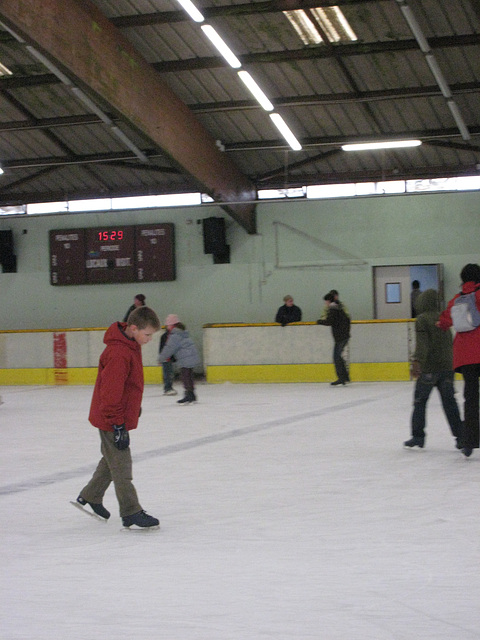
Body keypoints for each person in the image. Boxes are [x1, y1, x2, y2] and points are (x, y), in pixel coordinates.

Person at [75, 306, 161, 529]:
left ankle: (90, 496)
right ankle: (131, 512)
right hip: (110, 417)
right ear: (133, 328)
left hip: (115, 415)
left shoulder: (130, 345)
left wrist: (132, 408)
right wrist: (118, 423)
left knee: (112, 459)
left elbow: (128, 386)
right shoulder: (119, 352)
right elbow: (111, 393)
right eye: (148, 334)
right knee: (122, 465)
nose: (150, 339)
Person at [404, 289, 463, 450]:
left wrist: (417, 362)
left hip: (429, 368)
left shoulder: (422, 319)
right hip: (447, 368)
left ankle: (418, 436)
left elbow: (422, 344)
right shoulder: (443, 318)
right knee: (450, 403)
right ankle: (461, 437)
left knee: (420, 402)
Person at [438, 263, 480, 458]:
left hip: (466, 356)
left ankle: (470, 441)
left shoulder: (457, 299)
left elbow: (444, 321)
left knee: (470, 398)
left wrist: (441, 323)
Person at [158, 317, 201, 405]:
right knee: (189, 377)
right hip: (190, 357)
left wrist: (161, 358)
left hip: (185, 358)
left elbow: (169, 348)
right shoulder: (182, 332)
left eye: (168, 325)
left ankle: (189, 395)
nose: (167, 327)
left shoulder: (175, 336)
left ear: (172, 325)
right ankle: (191, 395)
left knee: (185, 377)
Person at [317, 292, 351, 386]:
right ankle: (344, 377)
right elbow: (347, 320)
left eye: (326, 302)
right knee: (338, 357)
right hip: (343, 335)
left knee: (336, 357)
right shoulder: (339, 307)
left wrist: (319, 321)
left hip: (340, 337)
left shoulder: (333, 309)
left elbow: (330, 321)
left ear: (328, 301)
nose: (325, 304)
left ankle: (342, 378)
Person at [159, 314, 178, 396]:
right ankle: (167, 388)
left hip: (169, 358)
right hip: (166, 359)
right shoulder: (165, 336)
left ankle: (169, 387)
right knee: (167, 374)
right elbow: (163, 348)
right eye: (172, 326)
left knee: (170, 373)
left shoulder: (174, 335)